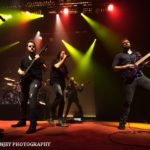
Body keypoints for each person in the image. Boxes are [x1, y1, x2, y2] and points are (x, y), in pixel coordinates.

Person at [112, 38, 150, 130]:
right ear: (122, 45)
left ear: (130, 43)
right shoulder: (119, 55)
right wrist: (126, 66)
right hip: (129, 80)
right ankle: (122, 123)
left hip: (140, 77)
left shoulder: (137, 54)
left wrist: (147, 64)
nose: (126, 43)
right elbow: (114, 67)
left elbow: (142, 65)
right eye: (123, 43)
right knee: (127, 102)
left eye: (127, 42)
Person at [11, 40, 47, 134]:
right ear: (27, 48)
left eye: (33, 46)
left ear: (35, 48)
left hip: (36, 81)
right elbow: (19, 69)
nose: (32, 48)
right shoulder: (24, 59)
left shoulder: (39, 58)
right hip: (25, 82)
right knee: (23, 101)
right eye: (30, 46)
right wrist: (20, 72)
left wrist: (38, 60)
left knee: (32, 99)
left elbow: (45, 69)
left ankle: (32, 124)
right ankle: (22, 121)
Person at [48, 50, 69, 127]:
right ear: (59, 54)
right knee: (60, 95)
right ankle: (51, 115)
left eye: (65, 53)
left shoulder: (64, 66)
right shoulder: (55, 60)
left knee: (62, 101)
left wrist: (73, 81)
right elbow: (56, 66)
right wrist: (64, 59)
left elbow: (66, 76)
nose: (64, 54)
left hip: (62, 83)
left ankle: (60, 120)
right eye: (63, 53)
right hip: (55, 81)